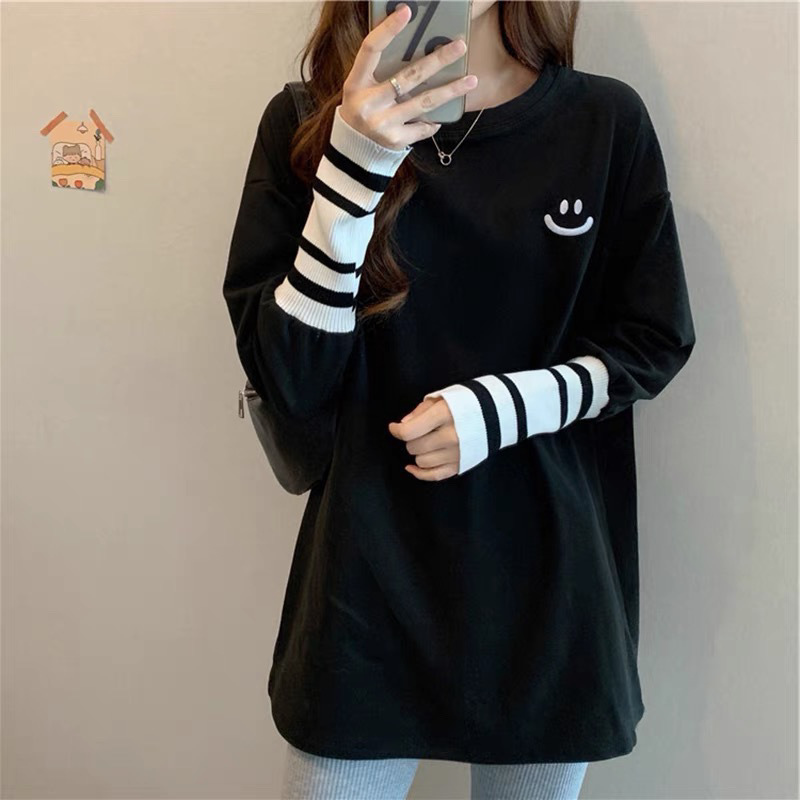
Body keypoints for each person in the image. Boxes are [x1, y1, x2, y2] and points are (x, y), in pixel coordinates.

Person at [222, 1, 696, 797]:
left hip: (547, 583)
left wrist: (502, 410)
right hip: (363, 581)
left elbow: (655, 337)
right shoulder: (305, 123)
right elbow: (293, 383)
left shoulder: (603, 122)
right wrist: (354, 166)